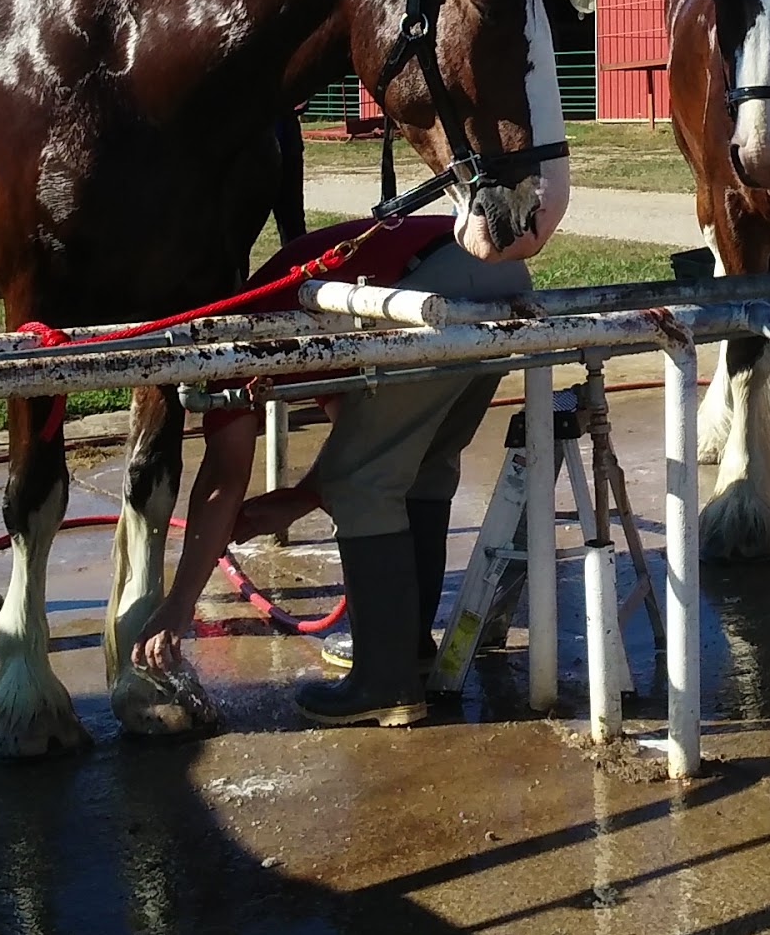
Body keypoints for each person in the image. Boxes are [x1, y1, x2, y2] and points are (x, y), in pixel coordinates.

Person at [131, 215, 532, 730]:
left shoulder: (229, 340)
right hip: (491, 270)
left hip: (430, 290)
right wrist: (297, 499)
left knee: (362, 483)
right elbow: (363, 441)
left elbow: (223, 482)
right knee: (420, 466)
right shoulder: (288, 316)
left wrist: (178, 605)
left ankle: (383, 684)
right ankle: (404, 649)